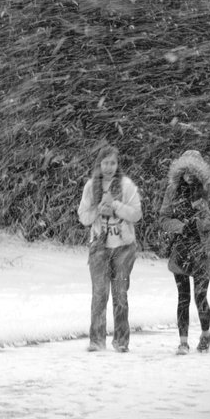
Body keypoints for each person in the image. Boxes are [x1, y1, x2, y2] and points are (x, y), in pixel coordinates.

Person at [155, 149, 210, 353]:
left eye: (192, 171)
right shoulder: (173, 190)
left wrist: (200, 224)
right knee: (183, 296)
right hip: (181, 248)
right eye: (185, 171)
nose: (188, 175)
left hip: (204, 249)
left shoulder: (209, 189)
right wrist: (181, 227)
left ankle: (205, 333)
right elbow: (164, 218)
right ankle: (183, 341)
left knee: (200, 296)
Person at [76, 144, 142, 353]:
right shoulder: (90, 187)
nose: (108, 167)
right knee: (99, 295)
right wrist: (98, 209)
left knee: (120, 294)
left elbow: (136, 214)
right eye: (105, 163)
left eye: (112, 163)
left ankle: (121, 341)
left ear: (117, 164)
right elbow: (83, 217)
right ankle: (96, 341)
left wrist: (115, 205)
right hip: (99, 247)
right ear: (99, 164)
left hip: (123, 248)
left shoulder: (126, 185)